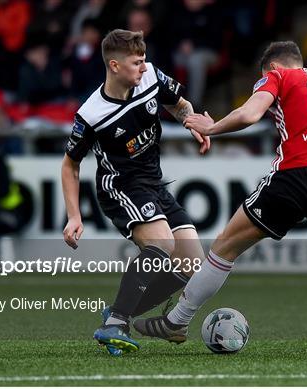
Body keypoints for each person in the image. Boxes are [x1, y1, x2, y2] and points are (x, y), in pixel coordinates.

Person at [134, 41, 307, 358]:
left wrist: (213, 126)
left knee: (225, 245)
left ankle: (176, 321)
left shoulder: (279, 77)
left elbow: (250, 114)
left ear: (273, 68)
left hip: (296, 175)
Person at [61, 29, 210, 356]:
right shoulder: (92, 114)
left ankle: (118, 315)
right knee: (161, 244)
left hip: (154, 183)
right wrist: (74, 215)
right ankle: (115, 322)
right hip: (120, 187)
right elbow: (70, 165)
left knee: (192, 265)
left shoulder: (152, 77)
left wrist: (194, 122)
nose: (143, 68)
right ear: (114, 66)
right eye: (136, 62)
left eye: (144, 61)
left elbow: (180, 104)